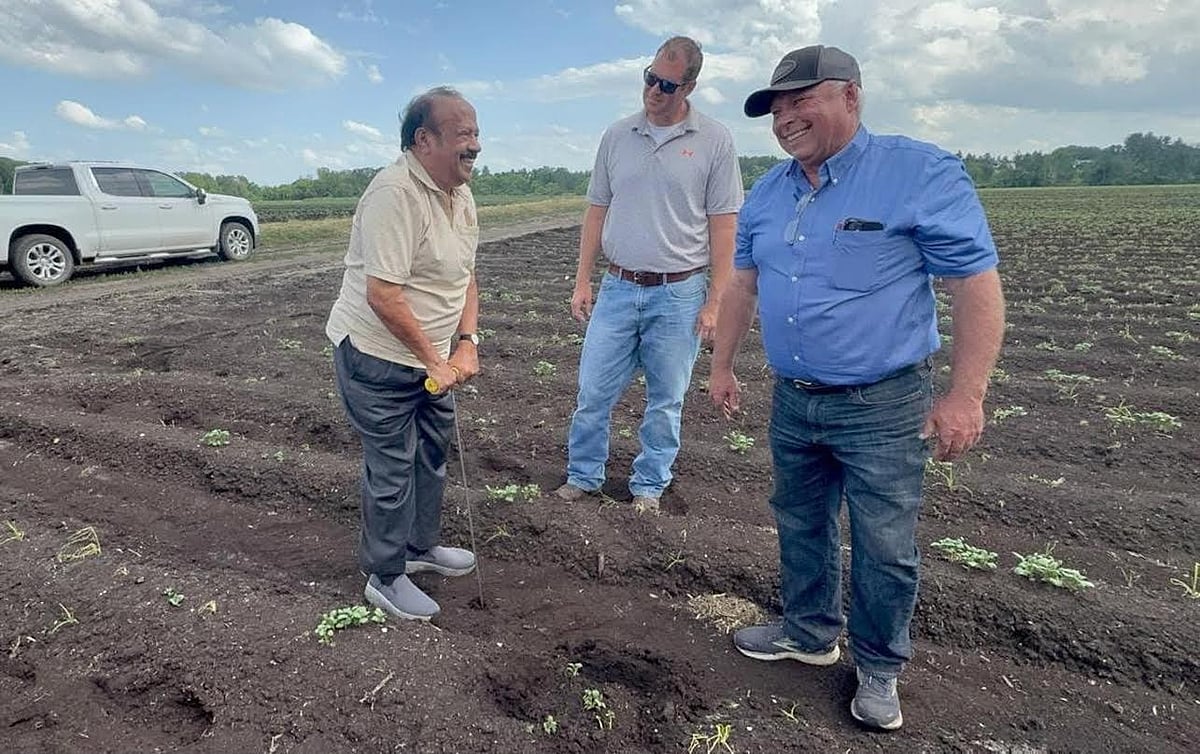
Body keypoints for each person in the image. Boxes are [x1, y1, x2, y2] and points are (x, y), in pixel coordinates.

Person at [710, 46, 1004, 730]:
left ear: (850, 96)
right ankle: (809, 632)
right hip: (795, 397)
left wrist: (966, 395)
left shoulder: (917, 171)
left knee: (884, 542)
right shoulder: (769, 192)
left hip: (883, 404)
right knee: (801, 521)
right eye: (776, 109)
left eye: (800, 101)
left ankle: (878, 667)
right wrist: (722, 365)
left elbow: (973, 284)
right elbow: (743, 286)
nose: (785, 119)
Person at [555, 36, 744, 511]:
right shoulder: (618, 135)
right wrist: (583, 278)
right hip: (619, 286)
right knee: (593, 391)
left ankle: (649, 487)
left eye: (667, 84)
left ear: (689, 87)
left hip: (679, 292)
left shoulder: (715, 140)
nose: (654, 91)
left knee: (666, 398)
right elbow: (596, 209)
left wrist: (716, 300)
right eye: (650, 78)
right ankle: (583, 476)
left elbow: (724, 226)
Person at [325, 86, 483, 622]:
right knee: (392, 466)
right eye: (463, 134)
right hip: (377, 357)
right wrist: (435, 361)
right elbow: (383, 295)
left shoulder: (460, 194)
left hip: (431, 359)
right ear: (424, 140)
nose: (474, 145)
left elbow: (466, 277)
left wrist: (466, 342)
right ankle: (385, 575)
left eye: (476, 133)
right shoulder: (394, 194)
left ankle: (419, 547)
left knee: (432, 453)